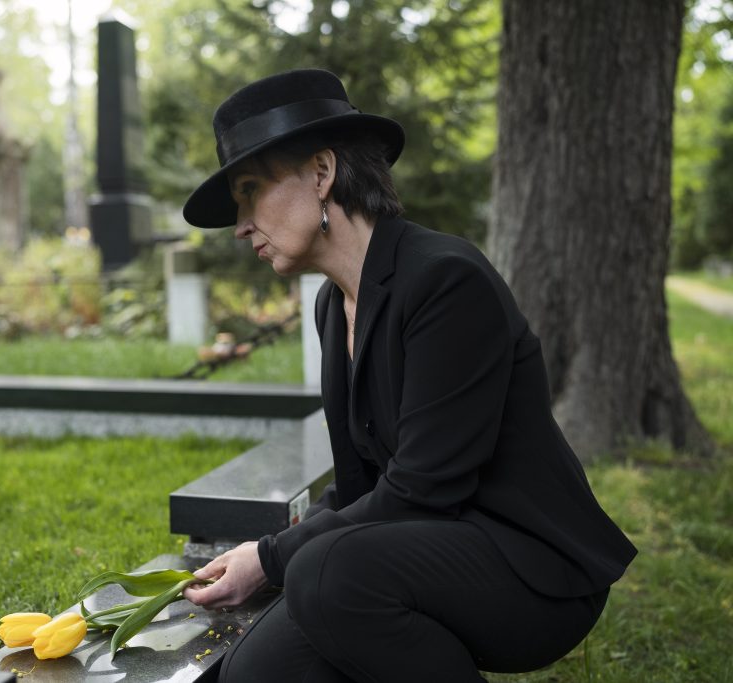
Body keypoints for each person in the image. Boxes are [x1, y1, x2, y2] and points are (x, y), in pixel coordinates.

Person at [180, 69, 637, 682]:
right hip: (416, 552)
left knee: (325, 576)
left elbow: (425, 488)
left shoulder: (445, 280)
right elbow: (363, 482)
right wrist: (265, 561)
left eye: (250, 190)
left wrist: (271, 557)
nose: (239, 225)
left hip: (529, 570)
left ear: (321, 173)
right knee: (252, 672)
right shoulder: (331, 305)